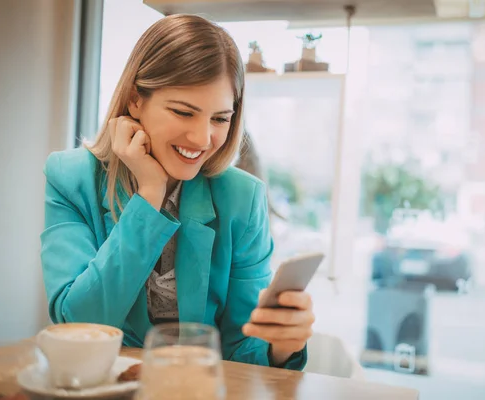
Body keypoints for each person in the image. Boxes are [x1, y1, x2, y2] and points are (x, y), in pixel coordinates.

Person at [40, 14, 314, 370]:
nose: (202, 140)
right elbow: (78, 324)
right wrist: (149, 195)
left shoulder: (242, 199)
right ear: (136, 100)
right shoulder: (70, 178)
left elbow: (242, 349)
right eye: (184, 112)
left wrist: (282, 345)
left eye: (220, 118)